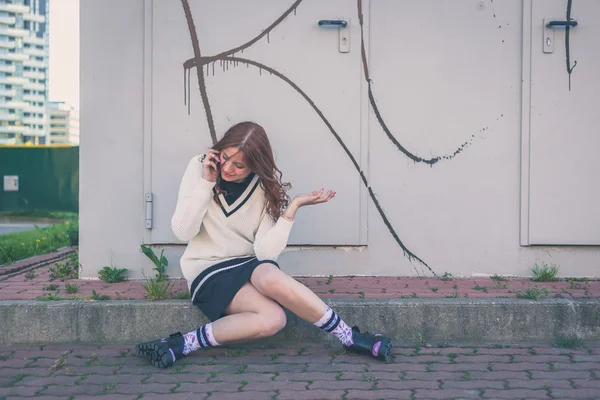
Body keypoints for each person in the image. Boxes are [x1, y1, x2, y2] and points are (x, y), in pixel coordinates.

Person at [136, 121, 392, 368]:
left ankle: (349, 337)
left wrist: (290, 210)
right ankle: (184, 343)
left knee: (270, 284)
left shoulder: (263, 187)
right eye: (225, 157)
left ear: (255, 167)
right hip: (206, 268)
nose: (227, 168)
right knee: (274, 318)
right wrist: (206, 182)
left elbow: (265, 252)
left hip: (248, 264)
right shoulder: (199, 166)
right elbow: (183, 231)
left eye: (239, 165)